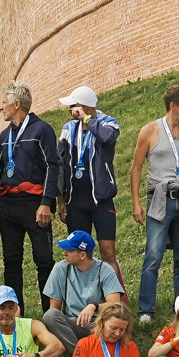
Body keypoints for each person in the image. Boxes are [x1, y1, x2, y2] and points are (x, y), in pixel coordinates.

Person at [131, 87, 179, 327]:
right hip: (160, 200)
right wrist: (135, 203)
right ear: (173, 105)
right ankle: (146, 309)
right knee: (153, 255)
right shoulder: (150, 131)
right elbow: (136, 168)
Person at [0, 83, 60, 309]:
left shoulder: (42, 130)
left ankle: (51, 315)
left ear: (17, 104)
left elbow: (52, 166)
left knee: (44, 260)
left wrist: (46, 203)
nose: (2, 109)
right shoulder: (4, 135)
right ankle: (14, 315)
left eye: (4, 104)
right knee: (11, 261)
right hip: (8, 206)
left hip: (34, 204)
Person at [52, 86, 123, 271]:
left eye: (73, 106)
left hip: (101, 200)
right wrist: (61, 200)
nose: (69, 110)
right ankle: (84, 298)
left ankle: (115, 298)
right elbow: (60, 163)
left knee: (108, 253)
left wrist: (87, 119)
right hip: (75, 202)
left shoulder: (108, 123)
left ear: (87, 107)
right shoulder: (68, 128)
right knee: (77, 255)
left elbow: (107, 138)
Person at [41, 229, 127, 357]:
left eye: (69, 250)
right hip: (72, 326)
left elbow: (115, 305)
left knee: (111, 326)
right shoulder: (60, 268)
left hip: (98, 324)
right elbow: (54, 308)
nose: (64, 253)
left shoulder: (104, 269)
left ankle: (88, 351)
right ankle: (80, 355)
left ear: (82, 255)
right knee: (50, 316)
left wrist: (94, 306)